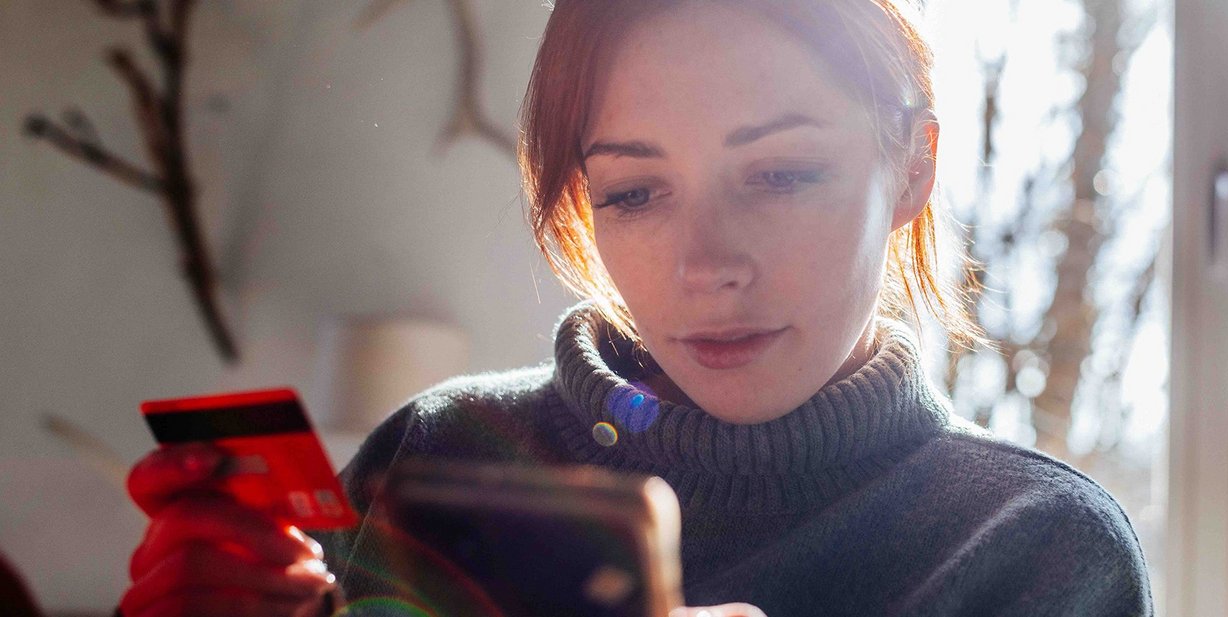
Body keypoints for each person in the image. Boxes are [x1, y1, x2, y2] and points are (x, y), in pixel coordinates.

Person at [119, 0, 1154, 615]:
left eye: (782, 174)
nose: (705, 266)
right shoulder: (432, 456)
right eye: (633, 192)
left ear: (914, 165)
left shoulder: (1035, 545)